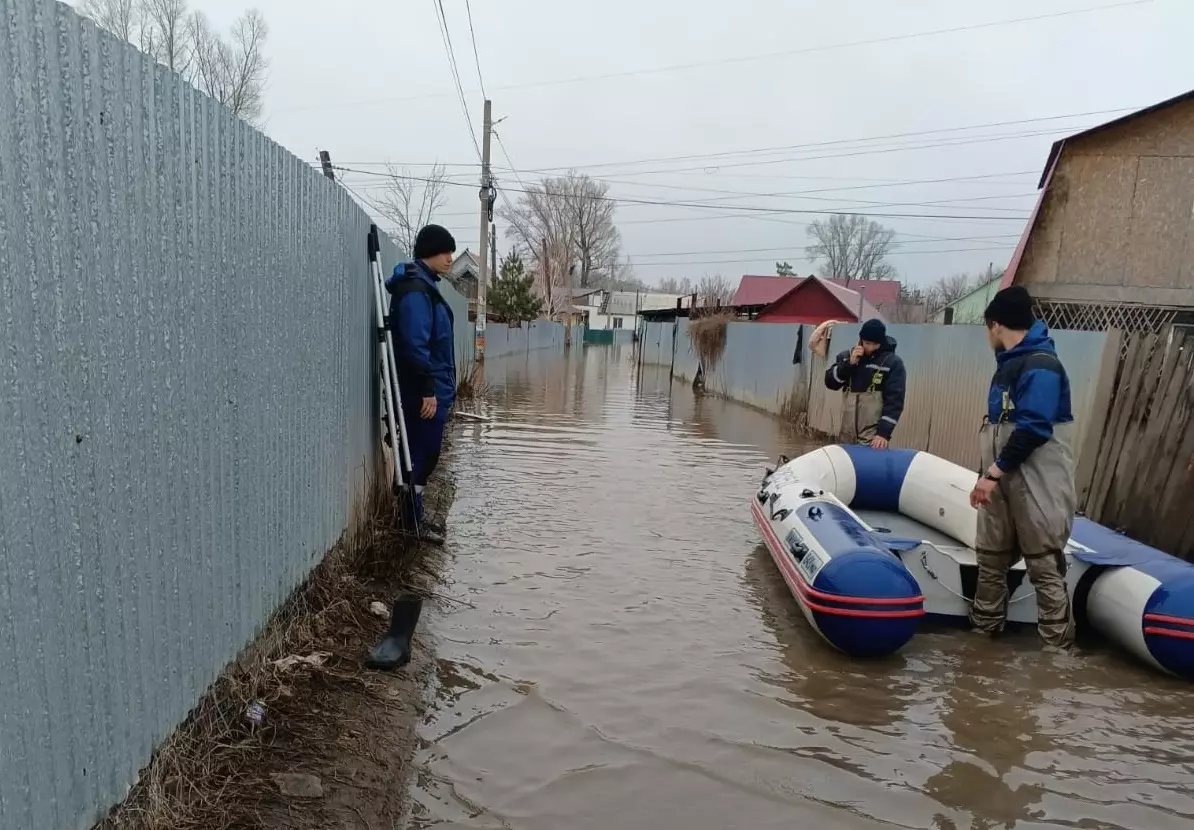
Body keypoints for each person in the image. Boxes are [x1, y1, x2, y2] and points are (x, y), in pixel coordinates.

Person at [968, 285, 1076, 651]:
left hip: (1036, 479)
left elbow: (1034, 427)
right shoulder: (1008, 366)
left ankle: (1056, 654)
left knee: (1044, 562)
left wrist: (992, 474)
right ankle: (982, 643)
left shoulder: (1042, 366)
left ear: (996, 325)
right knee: (991, 557)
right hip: (1001, 479)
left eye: (986, 328)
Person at [386, 224, 457, 546]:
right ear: (429, 251)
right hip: (422, 389)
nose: (451, 258)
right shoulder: (416, 291)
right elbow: (415, 345)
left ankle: (412, 517)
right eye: (445, 251)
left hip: (433, 385)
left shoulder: (426, 286)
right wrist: (428, 389)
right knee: (423, 452)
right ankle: (410, 522)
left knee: (424, 453)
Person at [823, 318, 906, 449]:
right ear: (861, 340)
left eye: (875, 344)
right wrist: (849, 364)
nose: (871, 348)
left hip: (873, 440)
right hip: (846, 437)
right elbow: (830, 383)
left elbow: (895, 402)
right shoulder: (846, 357)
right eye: (867, 343)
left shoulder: (892, 363)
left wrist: (883, 434)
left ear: (881, 342)